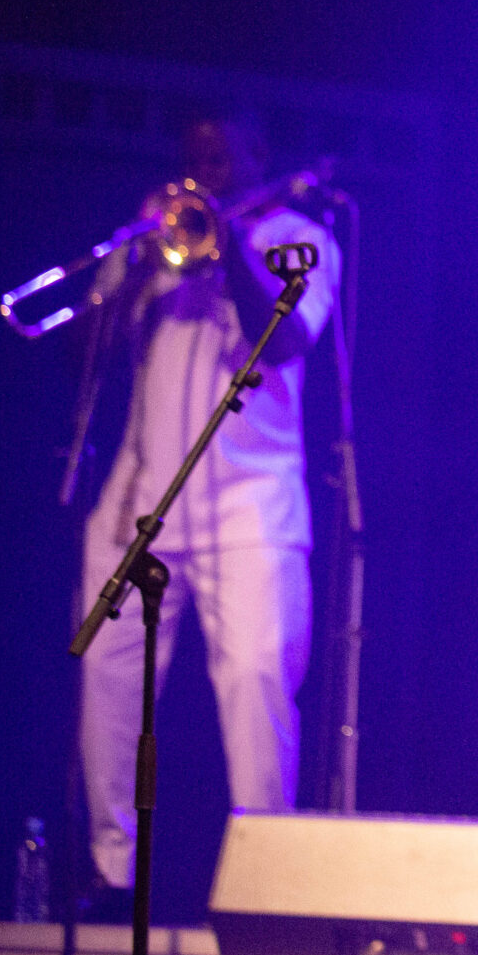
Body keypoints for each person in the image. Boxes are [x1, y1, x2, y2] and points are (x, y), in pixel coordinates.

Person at [78, 113, 339, 902]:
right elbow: (83, 355)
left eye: (220, 159)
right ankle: (110, 872)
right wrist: (133, 266)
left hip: (251, 502)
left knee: (257, 682)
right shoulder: (154, 241)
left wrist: (225, 244)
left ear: (258, 158)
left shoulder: (299, 238)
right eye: (194, 160)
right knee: (107, 679)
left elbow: (284, 341)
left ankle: (266, 887)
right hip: (141, 494)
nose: (205, 174)